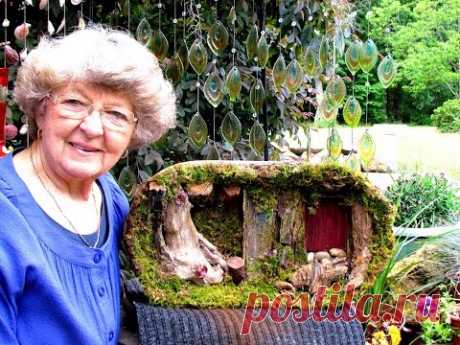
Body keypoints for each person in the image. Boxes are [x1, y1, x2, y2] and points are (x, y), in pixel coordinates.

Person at [0, 26, 176, 344]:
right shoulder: (5, 214)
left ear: (135, 133)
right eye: (74, 103)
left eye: (116, 115)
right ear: (41, 110)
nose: (93, 128)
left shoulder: (109, 196)